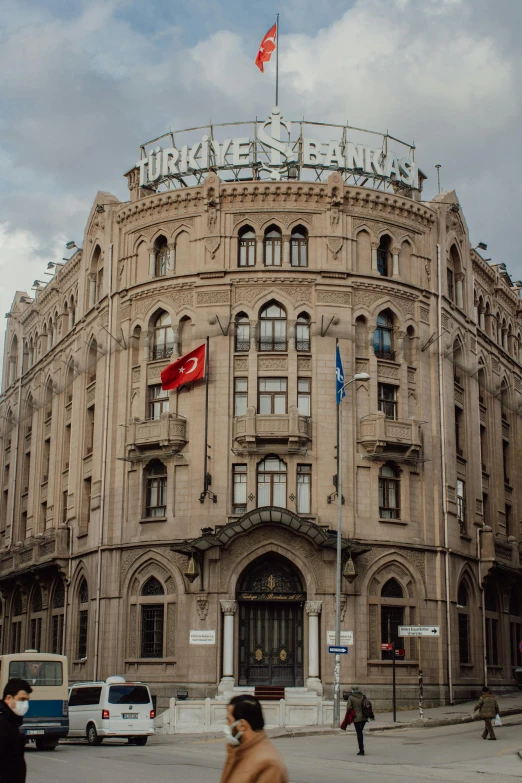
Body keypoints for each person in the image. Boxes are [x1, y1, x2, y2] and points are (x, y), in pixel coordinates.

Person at [220, 694, 288, 783]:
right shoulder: (240, 751)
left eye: (229, 720)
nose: (227, 725)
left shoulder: (268, 765)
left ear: (242, 725)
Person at [0, 678, 33, 783]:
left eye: (27, 700)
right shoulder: (3, 724)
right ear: (8, 698)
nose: (25, 704)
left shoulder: (11, 722)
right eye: (22, 699)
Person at [345, 685, 368, 756]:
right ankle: (362, 749)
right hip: (364, 717)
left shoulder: (351, 697)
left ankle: (361, 750)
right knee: (360, 732)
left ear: (352, 690)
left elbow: (348, 708)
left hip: (357, 718)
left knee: (359, 733)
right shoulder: (363, 696)